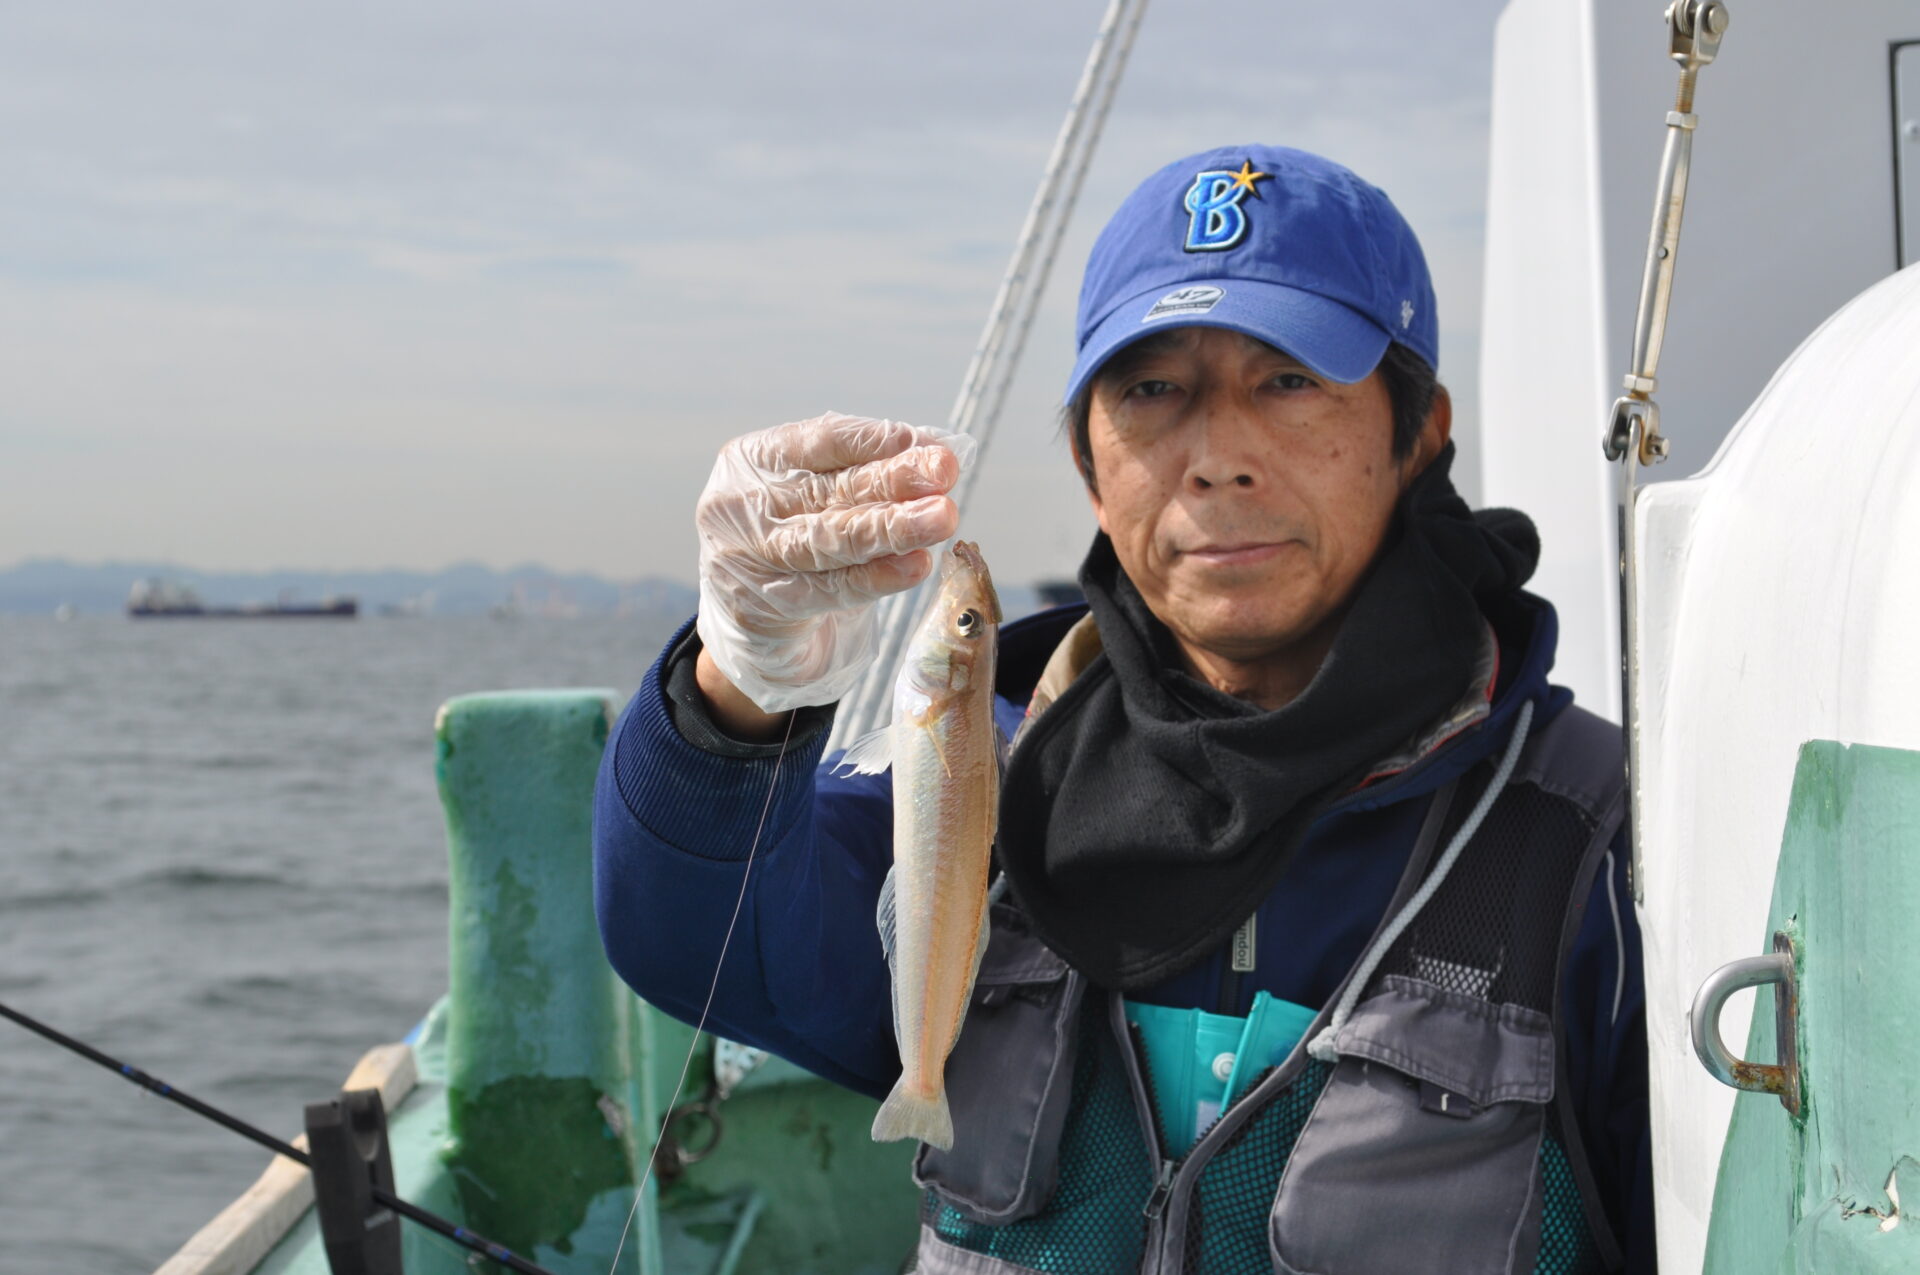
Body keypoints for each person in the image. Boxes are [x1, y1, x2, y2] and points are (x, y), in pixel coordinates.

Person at [594, 144, 1652, 1273]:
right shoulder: (998, 771)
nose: (1219, 458)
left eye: (1290, 380)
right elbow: (697, 942)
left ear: (1419, 434)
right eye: (1152, 389)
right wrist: (737, 690)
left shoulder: (1595, 845)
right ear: (1090, 465)